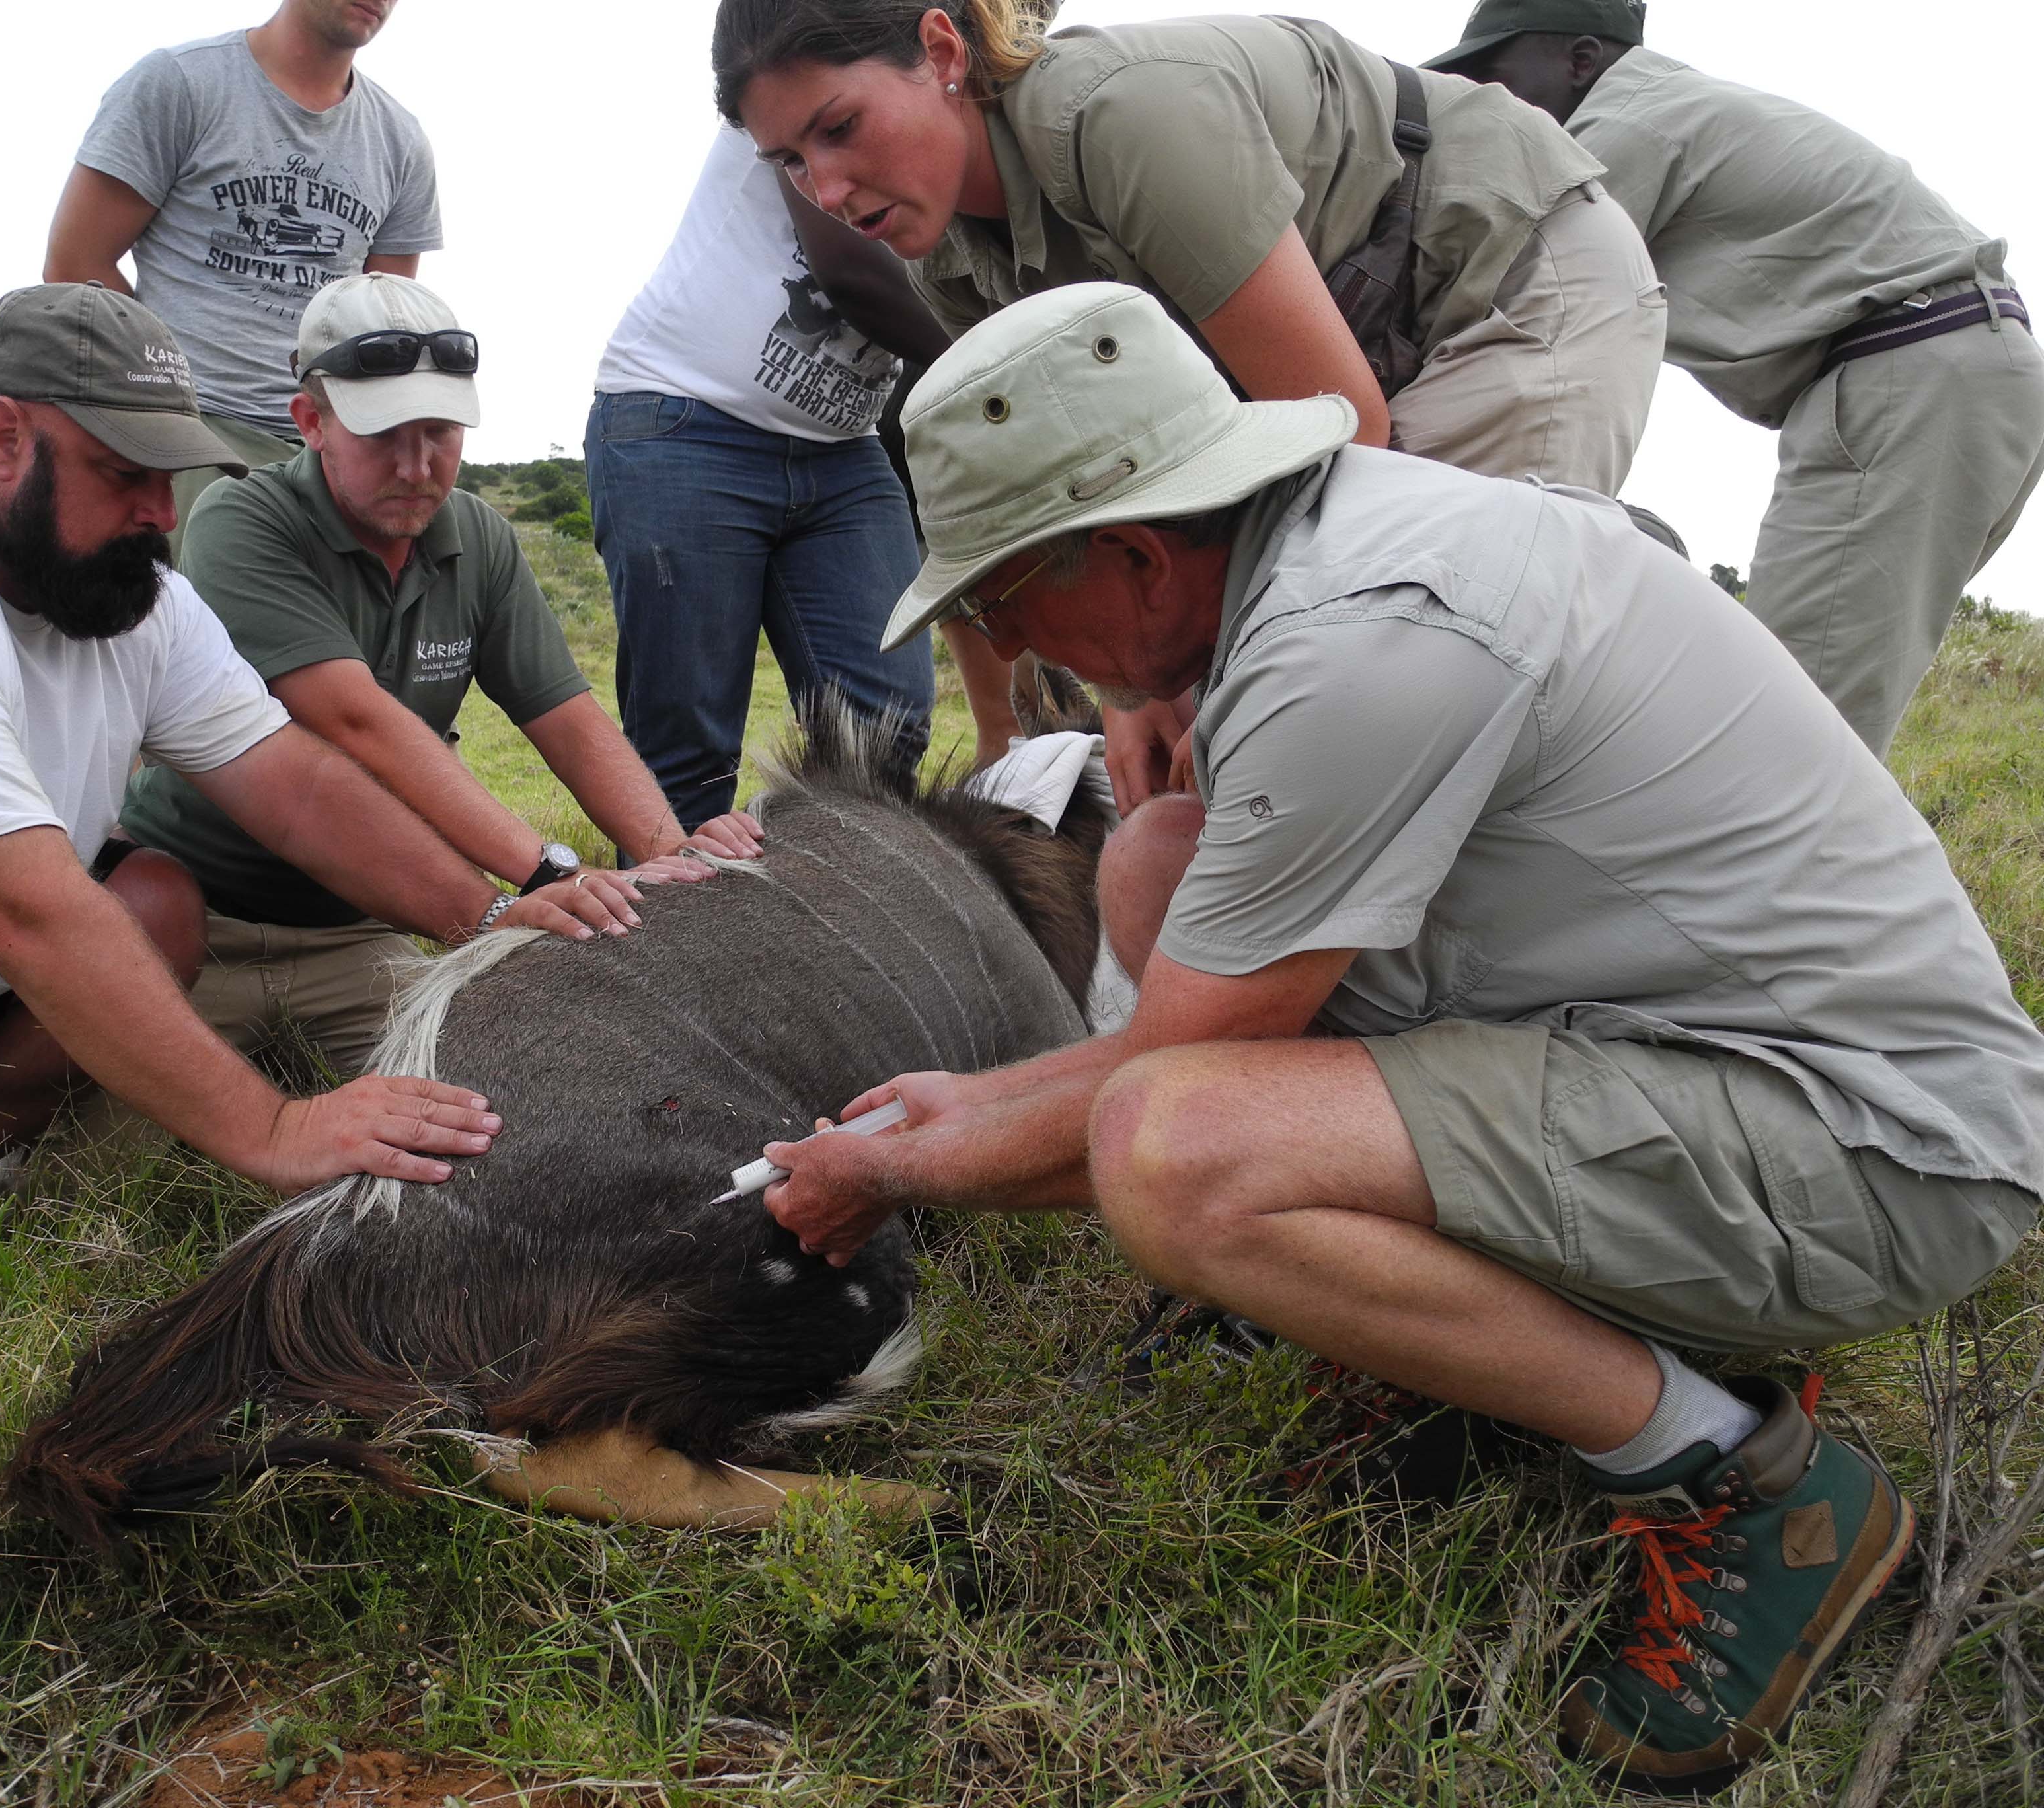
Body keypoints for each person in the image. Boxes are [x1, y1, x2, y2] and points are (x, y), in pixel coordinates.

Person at [759, 285, 2044, 1791]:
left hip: (1876, 1156)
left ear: (1131, 550)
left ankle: (1737, 1472)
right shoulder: (1343, 545)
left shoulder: (1356, 643)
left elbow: (1162, 1091)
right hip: (1704, 1059)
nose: (999, 640)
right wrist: (962, 1104)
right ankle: (1484, 1341)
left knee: (1176, 1160)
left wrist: (897, 1163)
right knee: (1162, 852)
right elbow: (1188, 1002)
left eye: (995, 595)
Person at [0, 284, 642, 1244]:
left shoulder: (114, 585)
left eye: (172, 471)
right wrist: (277, 1131)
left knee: (152, 896)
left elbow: (292, 782)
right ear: (3, 439)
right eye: (125, 473)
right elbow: (30, 914)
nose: (163, 510)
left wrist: (491, 917)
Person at [714, 0, 1671, 809]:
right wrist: (1134, 689)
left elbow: (1348, 432)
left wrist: (1199, 677)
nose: (827, 189)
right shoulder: (953, 263)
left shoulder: (1122, 118)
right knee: (1259, 702)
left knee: (1417, 644)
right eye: (789, 162)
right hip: (1356, 328)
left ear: (941, 51)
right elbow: (1085, 496)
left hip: (1503, 270)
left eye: (839, 128)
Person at [121, 274, 758, 1075]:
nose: (418, 466)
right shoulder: (241, 518)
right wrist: (547, 875)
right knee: (101, 1159)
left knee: (485, 1105)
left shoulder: (479, 537)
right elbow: (357, 723)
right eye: (385, 434)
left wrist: (668, 856)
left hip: (359, 926)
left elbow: (567, 716)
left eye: (441, 432)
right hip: (196, 913)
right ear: (311, 422)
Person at [1427, 0, 2044, 757]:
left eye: (1494, 78)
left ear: (1582, 61)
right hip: (1966, 363)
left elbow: (1496, 305)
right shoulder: (1679, 107)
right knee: (1823, 713)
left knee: (1782, 741)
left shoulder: (1617, 134)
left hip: (1911, 369)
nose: (1486, 106)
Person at [586, 126, 940, 830]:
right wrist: (1012, 360)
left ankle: (821, 920)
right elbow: (851, 270)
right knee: (688, 751)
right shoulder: (808, 65)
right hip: (685, 421)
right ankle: (672, 937)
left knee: (885, 730)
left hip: (844, 444)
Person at [44, 0, 442, 556]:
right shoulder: (180, 84)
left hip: (330, 453)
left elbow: (387, 323)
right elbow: (73, 266)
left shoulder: (400, 141)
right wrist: (161, 399)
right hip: (187, 440)